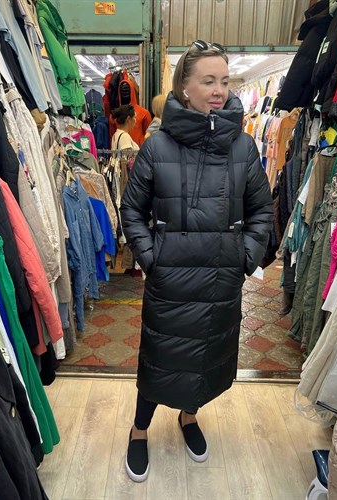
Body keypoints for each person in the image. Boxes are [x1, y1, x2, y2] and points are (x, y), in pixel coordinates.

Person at [120, 39, 273, 483]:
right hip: (171, 280)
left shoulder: (243, 147)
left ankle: (189, 417)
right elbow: (132, 210)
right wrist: (153, 258)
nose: (219, 90)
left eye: (224, 80)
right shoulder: (156, 147)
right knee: (159, 358)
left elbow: (262, 209)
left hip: (221, 279)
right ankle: (139, 429)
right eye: (208, 81)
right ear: (184, 88)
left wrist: (244, 257)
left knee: (206, 356)